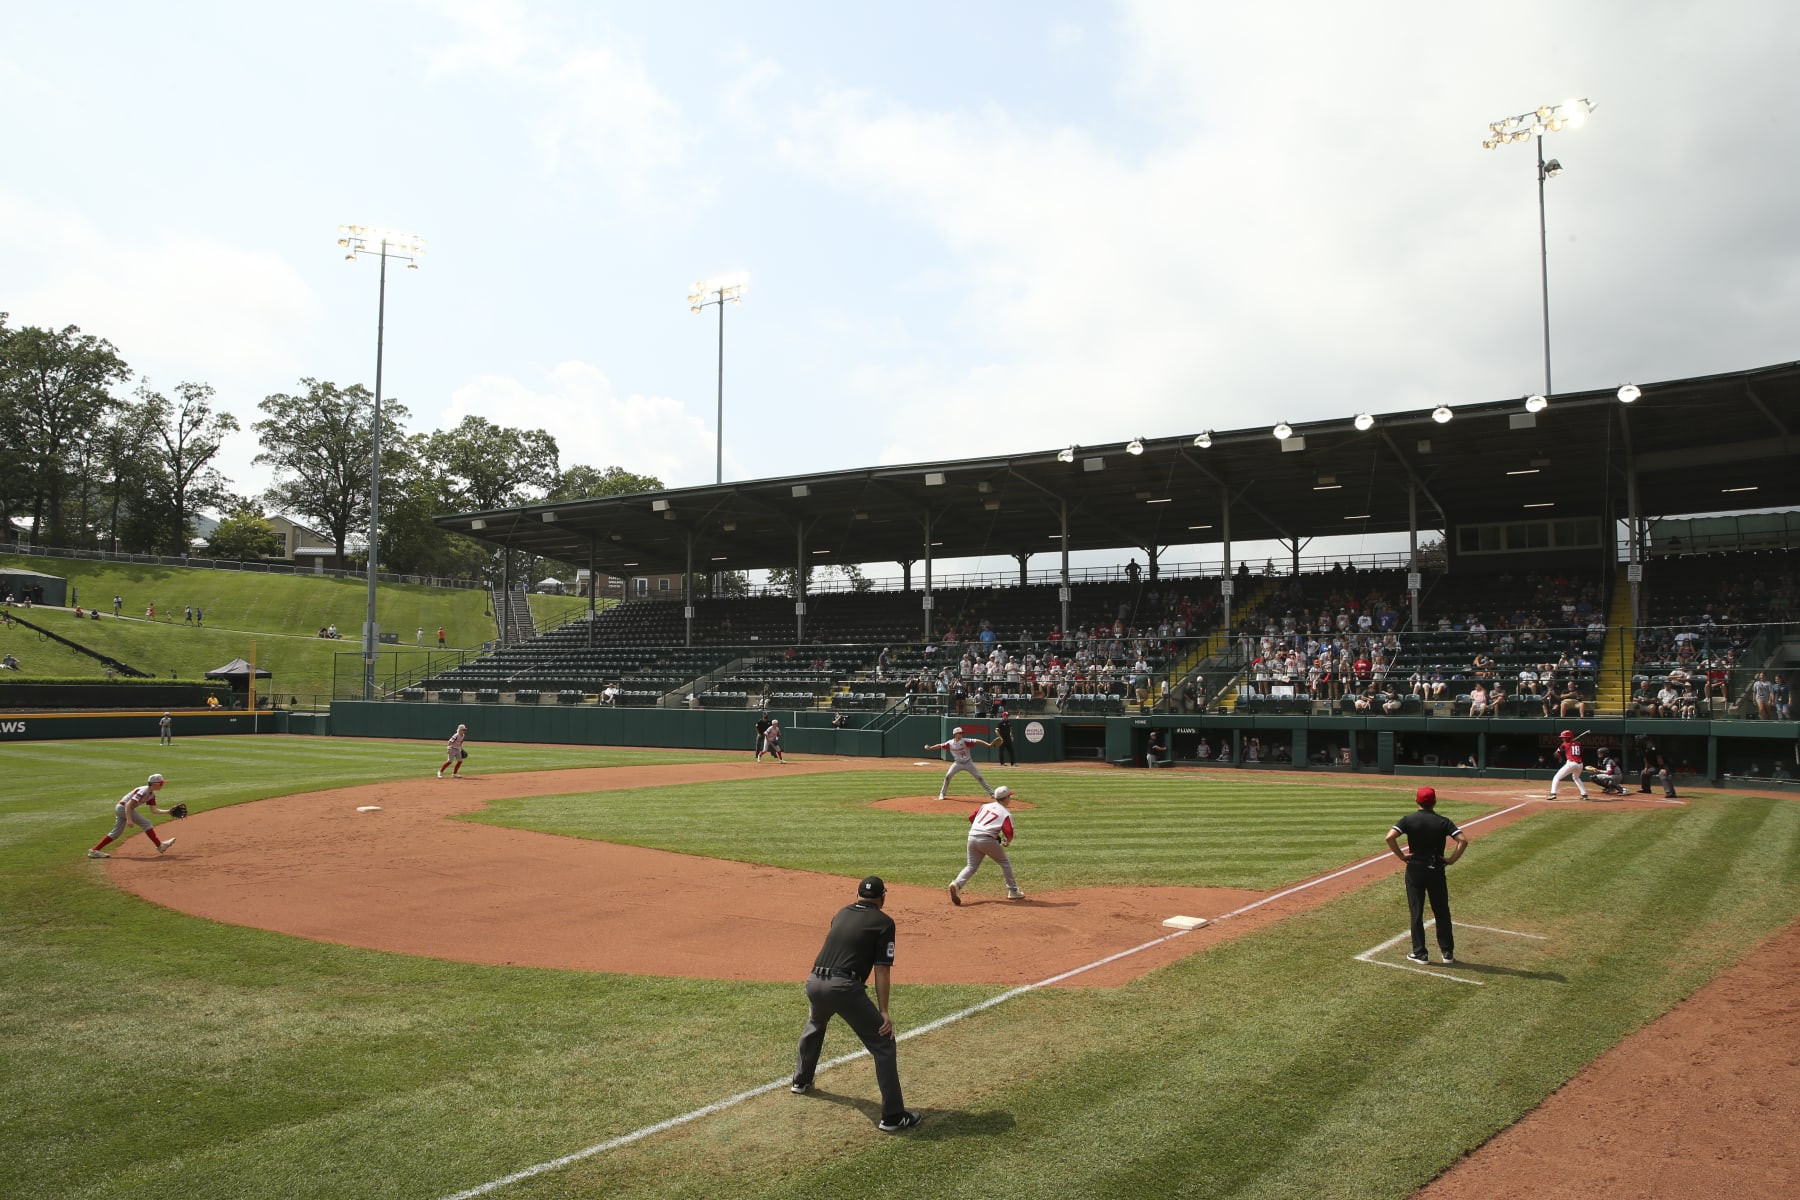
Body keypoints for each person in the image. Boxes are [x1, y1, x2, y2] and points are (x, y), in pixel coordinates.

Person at [789, 876, 920, 1133]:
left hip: (814, 981)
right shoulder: (884, 922)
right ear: (883, 897)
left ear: (858, 895)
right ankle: (893, 1116)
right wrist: (884, 1012)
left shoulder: (840, 913)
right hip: (844, 987)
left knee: (816, 1023)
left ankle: (801, 1080)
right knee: (883, 1043)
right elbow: (882, 970)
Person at [1384, 786, 1467, 965]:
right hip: (1436, 869)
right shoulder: (1443, 822)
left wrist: (1401, 856)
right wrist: (1451, 859)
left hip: (1415, 870)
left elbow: (1389, 837)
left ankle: (1420, 953)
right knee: (1442, 910)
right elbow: (1463, 840)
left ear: (1417, 801)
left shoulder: (1408, 820)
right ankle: (1447, 953)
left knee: (1416, 911)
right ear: (1434, 802)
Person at [948, 784, 1025, 903]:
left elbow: (971, 817)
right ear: (1006, 798)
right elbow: (1009, 832)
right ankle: (1013, 891)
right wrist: (1007, 842)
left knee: (971, 866)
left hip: (972, 837)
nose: (1010, 798)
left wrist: (980, 828)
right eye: (1009, 796)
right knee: (1004, 862)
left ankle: (957, 884)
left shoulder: (985, 806)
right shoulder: (1005, 813)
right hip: (987, 840)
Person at [87, 773, 179, 858]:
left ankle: (94, 851)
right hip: (123, 808)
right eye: (161, 783)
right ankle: (160, 846)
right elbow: (128, 805)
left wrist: (168, 812)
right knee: (146, 823)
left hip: (123, 809)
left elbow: (154, 810)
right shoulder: (143, 791)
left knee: (116, 833)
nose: (162, 785)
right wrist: (129, 820)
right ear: (154, 784)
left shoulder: (151, 794)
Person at [924, 726, 997, 801]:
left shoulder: (965, 741)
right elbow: (940, 745)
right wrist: (930, 748)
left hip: (968, 762)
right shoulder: (950, 743)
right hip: (957, 763)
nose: (961, 734)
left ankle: (992, 793)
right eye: (960, 733)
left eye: (962, 733)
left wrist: (988, 744)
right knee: (948, 776)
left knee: (979, 777)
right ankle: (942, 794)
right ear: (955, 734)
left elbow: (977, 741)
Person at [1547, 729, 1591, 801]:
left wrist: (1560, 756)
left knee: (1556, 778)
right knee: (1576, 778)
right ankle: (1584, 794)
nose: (1562, 738)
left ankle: (1553, 794)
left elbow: (1556, 754)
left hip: (1571, 763)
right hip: (1580, 765)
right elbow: (1581, 750)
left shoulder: (1564, 744)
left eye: (1564, 737)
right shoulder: (1578, 743)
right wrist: (1571, 743)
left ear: (1567, 738)